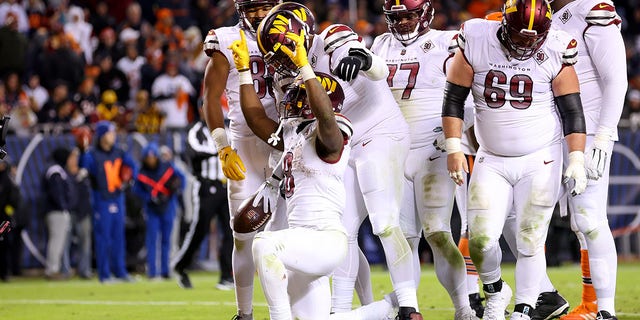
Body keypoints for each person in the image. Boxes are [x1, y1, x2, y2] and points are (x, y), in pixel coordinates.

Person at [255, 3, 420, 318]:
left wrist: (364, 58)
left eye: (280, 50)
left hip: (378, 129)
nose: (278, 61)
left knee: (384, 221)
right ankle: (353, 308)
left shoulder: (333, 38)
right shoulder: (285, 76)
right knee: (343, 230)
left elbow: (380, 71)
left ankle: (409, 305)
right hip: (338, 144)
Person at [441, 0, 588, 319]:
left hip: (540, 158)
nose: (526, 43)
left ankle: (523, 311)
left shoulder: (557, 47)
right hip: (491, 158)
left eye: (533, 37)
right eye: (519, 35)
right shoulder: (478, 37)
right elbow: (453, 100)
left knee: (530, 240)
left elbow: (572, 110)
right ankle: (495, 291)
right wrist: (454, 147)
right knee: (480, 240)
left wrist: (576, 157)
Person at [229, 23, 353, 319]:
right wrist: (244, 71)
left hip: (325, 239)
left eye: (300, 99)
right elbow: (256, 117)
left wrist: (305, 68)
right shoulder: (293, 138)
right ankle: (384, 310)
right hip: (305, 245)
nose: (290, 104)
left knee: (264, 244)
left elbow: (325, 116)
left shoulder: (329, 138)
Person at [366, 1, 478, 319]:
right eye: (396, 17)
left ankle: (463, 307)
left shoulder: (447, 41)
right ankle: (410, 307)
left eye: (409, 15)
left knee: (438, 231)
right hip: (395, 152)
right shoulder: (380, 43)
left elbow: (467, 94)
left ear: (425, 13)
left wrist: (455, 134)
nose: (402, 22)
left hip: (433, 147)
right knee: (403, 236)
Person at [200, 0, 281, 318]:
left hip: (285, 139)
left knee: (288, 235)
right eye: (251, 7)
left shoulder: (291, 30)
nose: (258, 14)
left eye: (264, 7)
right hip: (245, 143)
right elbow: (209, 96)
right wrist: (222, 145)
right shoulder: (224, 38)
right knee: (243, 234)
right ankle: (244, 313)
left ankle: (288, 310)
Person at [549, 1, 627, 320]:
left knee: (590, 220)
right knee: (574, 224)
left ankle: (603, 310)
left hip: (590, 129)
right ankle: (585, 304)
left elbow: (616, 79)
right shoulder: (547, 16)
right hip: (554, 132)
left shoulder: (590, 8)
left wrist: (605, 135)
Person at [171, 105, 234, 290]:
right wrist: (221, 150)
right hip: (206, 186)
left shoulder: (228, 128)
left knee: (231, 231)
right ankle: (181, 266)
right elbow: (192, 152)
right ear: (201, 110)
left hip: (227, 186)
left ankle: (226, 276)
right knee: (200, 230)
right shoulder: (196, 131)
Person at [80, 120, 138, 283]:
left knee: (119, 237)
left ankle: (120, 271)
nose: (113, 136)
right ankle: (104, 274)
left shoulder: (119, 151)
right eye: (110, 133)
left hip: (118, 198)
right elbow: (84, 168)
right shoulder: (92, 154)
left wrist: (129, 178)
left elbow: (133, 167)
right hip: (101, 199)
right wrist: (82, 150)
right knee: (103, 238)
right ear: (102, 135)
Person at [133, 142, 185, 280]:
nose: (150, 160)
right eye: (148, 157)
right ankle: (152, 272)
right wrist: (149, 198)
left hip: (168, 207)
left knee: (167, 240)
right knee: (152, 240)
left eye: (153, 157)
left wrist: (176, 189)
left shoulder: (167, 167)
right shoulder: (142, 172)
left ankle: (165, 270)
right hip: (152, 210)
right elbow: (136, 190)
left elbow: (181, 180)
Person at [43, 147, 75, 280]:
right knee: (56, 241)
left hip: (58, 211)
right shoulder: (55, 172)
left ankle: (59, 268)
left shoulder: (58, 171)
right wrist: (63, 207)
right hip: (56, 212)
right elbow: (56, 193)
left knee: (60, 242)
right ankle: (52, 270)